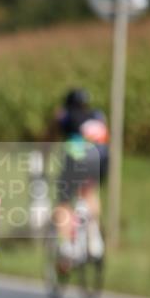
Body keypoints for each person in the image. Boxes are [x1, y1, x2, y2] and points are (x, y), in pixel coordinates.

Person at [53, 88, 109, 266]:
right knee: (90, 193)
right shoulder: (98, 115)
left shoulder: (65, 114)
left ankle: (67, 246)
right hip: (101, 159)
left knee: (64, 201)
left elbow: (50, 137)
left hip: (76, 159)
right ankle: (95, 240)